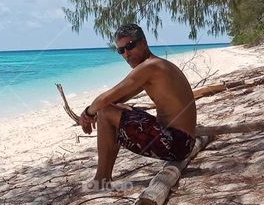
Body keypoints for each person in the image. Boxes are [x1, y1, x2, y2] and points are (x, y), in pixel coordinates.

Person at [79, 24, 197, 188]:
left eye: (130, 46)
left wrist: (87, 113)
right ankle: (103, 177)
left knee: (106, 111)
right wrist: (106, 108)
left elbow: (106, 98)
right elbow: (115, 98)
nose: (126, 54)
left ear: (143, 43)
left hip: (176, 143)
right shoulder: (156, 66)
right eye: (121, 51)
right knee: (112, 109)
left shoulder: (149, 66)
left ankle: (101, 180)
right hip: (183, 142)